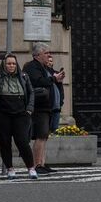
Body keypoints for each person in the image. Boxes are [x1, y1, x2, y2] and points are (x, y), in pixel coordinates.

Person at [0, 54, 37, 180]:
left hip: (21, 113)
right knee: (5, 142)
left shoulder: (24, 76)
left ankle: (31, 168)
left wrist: (29, 108)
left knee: (22, 141)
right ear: (4, 65)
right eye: (8, 63)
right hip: (2, 113)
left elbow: (31, 92)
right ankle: (10, 169)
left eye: (13, 63)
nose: (11, 66)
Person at [24, 43, 63, 175]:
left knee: (44, 137)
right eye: (46, 53)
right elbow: (39, 81)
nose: (49, 55)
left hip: (48, 107)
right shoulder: (31, 67)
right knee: (40, 136)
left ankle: (42, 163)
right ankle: (36, 164)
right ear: (38, 55)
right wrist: (53, 78)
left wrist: (56, 78)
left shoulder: (44, 67)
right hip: (39, 107)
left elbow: (51, 80)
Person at [46, 52, 64, 132]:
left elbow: (60, 89)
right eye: (48, 61)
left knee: (55, 129)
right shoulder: (44, 73)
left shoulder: (56, 73)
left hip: (56, 106)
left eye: (51, 61)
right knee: (46, 130)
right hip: (48, 106)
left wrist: (61, 102)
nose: (49, 63)